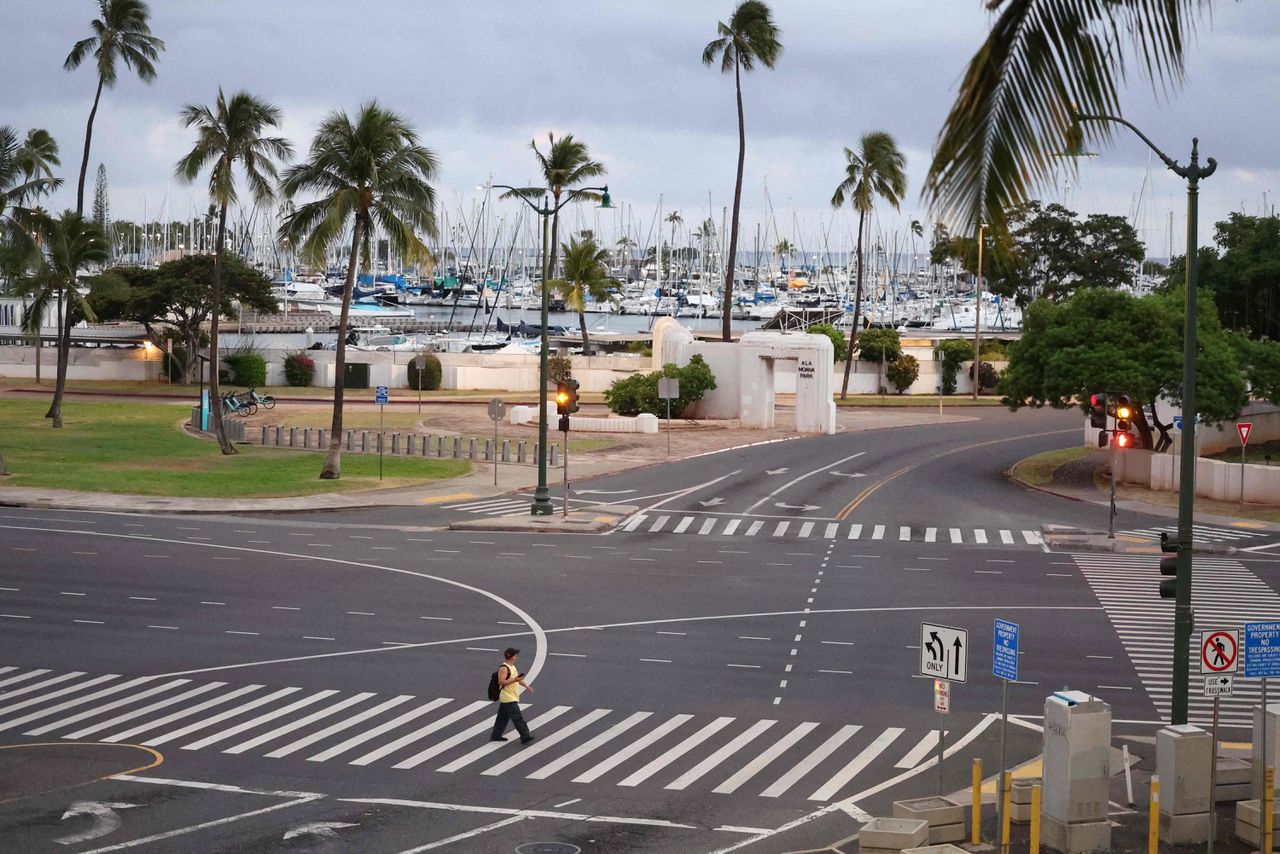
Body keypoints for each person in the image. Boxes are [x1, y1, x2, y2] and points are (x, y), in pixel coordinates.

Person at [491, 647, 535, 744]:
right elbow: (501, 682)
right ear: (512, 657)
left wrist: (526, 686)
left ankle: (496, 735)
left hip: (510, 696)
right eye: (515, 655)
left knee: (502, 717)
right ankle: (525, 736)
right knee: (517, 717)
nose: (516, 656)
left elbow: (517, 679)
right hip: (508, 697)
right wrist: (514, 680)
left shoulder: (512, 667)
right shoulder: (504, 668)